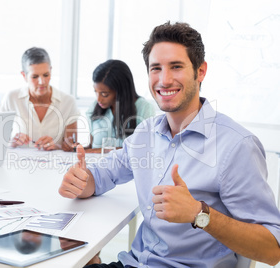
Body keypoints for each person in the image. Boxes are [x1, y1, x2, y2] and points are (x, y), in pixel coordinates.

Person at [59, 22, 280, 267]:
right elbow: (103, 175)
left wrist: (199, 213)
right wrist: (83, 181)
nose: (164, 80)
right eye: (156, 68)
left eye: (176, 67)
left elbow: (272, 250)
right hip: (136, 262)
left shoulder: (237, 145)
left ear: (201, 71)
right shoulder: (145, 133)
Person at [0, 47, 80, 151]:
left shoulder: (68, 102)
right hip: (19, 163)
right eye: (35, 77)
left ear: (51, 71)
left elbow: (71, 147)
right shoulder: (11, 98)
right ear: (24, 76)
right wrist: (12, 142)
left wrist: (56, 146)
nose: (42, 82)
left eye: (46, 75)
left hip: (55, 163)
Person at [85, 59, 155, 153]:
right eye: (96, 92)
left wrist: (96, 151)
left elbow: (143, 149)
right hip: (96, 165)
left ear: (121, 91)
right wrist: (76, 148)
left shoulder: (144, 108)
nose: (98, 99)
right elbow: (91, 147)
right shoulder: (95, 107)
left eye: (104, 94)